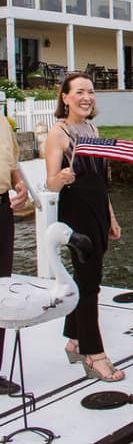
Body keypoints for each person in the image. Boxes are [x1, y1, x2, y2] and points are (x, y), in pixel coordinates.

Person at [45, 73, 124, 382]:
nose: (86, 97)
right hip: (77, 212)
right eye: (79, 91)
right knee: (90, 283)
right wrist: (60, 178)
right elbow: (50, 182)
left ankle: (75, 339)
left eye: (90, 91)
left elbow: (100, 181)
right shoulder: (59, 133)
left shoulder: (92, 128)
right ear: (65, 97)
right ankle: (94, 354)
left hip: (97, 210)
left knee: (86, 278)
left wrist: (111, 217)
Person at [0, 115, 28, 394]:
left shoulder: (1, 122)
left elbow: (12, 162)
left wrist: (18, 183)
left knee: (1, 291)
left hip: (2, 211)